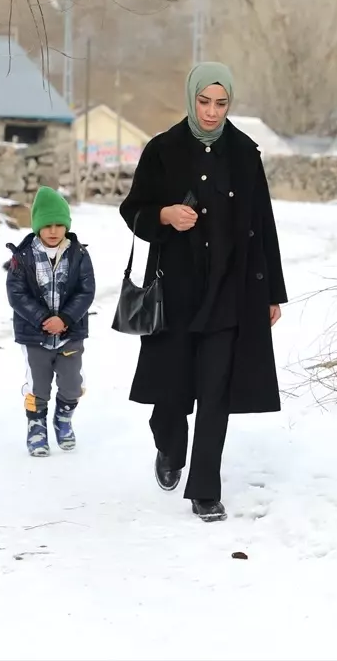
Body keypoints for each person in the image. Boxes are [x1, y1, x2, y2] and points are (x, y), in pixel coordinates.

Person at [119, 62, 287, 523]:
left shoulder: (244, 153)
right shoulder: (162, 150)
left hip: (230, 292)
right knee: (171, 392)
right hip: (175, 291)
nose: (212, 111)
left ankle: (205, 489)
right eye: (204, 101)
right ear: (191, 98)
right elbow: (132, 210)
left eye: (221, 103)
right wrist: (165, 215)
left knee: (216, 393)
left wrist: (271, 292)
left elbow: (263, 226)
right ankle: (169, 448)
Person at [5, 186, 96, 457]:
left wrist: (65, 318)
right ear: (37, 227)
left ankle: (64, 419)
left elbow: (86, 290)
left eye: (59, 225)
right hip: (35, 334)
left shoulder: (79, 254)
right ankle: (36, 426)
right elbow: (16, 294)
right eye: (47, 225)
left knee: (71, 383)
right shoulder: (23, 257)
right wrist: (44, 319)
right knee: (38, 384)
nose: (53, 231)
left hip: (70, 333)